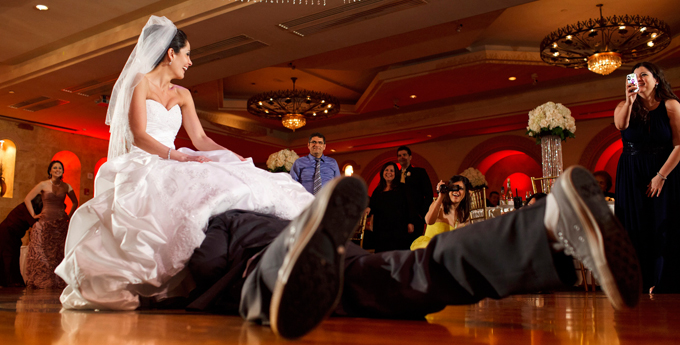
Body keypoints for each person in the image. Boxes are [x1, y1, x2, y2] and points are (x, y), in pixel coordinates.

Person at [185, 167, 642, 340]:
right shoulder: (281, 210)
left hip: (267, 260)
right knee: (418, 271)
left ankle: (289, 272)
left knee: (258, 285)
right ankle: (546, 226)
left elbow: (206, 266)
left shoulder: (223, 219)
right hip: (342, 256)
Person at [55, 16, 314, 310]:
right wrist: (174, 155)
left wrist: (231, 155)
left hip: (175, 156)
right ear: (171, 53)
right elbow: (138, 135)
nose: (190, 62)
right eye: (187, 54)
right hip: (147, 159)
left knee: (225, 180)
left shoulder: (184, 95)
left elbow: (201, 139)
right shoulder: (139, 84)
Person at [613, 61, 680, 294]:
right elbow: (621, 125)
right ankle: (638, 282)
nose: (638, 79)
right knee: (634, 226)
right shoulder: (624, 105)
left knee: (663, 224)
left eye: (643, 74)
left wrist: (661, 175)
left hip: (665, 169)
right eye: (633, 76)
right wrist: (630, 101)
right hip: (631, 172)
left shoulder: (671, 105)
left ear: (656, 79)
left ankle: (663, 281)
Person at [23, 161, 79, 289]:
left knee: (58, 253)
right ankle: (41, 281)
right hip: (44, 223)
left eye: (60, 168)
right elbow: (27, 199)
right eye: (55, 168)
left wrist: (68, 216)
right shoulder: (43, 184)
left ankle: (57, 280)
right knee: (42, 252)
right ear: (50, 171)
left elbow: (75, 202)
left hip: (60, 224)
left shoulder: (67, 186)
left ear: (62, 171)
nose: (57, 170)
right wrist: (33, 215)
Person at [411, 175, 471, 250]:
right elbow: (428, 221)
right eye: (453, 188)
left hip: (448, 253)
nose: (456, 191)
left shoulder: (463, 215)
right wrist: (440, 197)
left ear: (466, 193)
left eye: (461, 188)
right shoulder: (439, 205)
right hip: (430, 249)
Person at [366, 162, 416, 252]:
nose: (389, 172)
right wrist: (368, 208)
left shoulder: (403, 188)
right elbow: (372, 205)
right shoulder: (378, 190)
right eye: (386, 170)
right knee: (382, 256)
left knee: (399, 256)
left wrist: (410, 222)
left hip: (399, 229)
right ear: (382, 172)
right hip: (381, 229)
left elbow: (410, 206)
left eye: (392, 171)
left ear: (396, 173)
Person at [0, 195, 42, 287]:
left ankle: (10, 282)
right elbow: (34, 225)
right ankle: (9, 282)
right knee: (9, 258)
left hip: (12, 235)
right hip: (7, 233)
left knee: (13, 257)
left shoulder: (25, 208)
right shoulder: (25, 209)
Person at [396, 146, 433, 240]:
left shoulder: (419, 173)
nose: (402, 157)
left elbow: (429, 194)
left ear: (410, 157)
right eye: (399, 155)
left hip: (416, 217)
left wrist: (421, 215)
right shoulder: (395, 176)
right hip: (399, 219)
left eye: (404, 155)